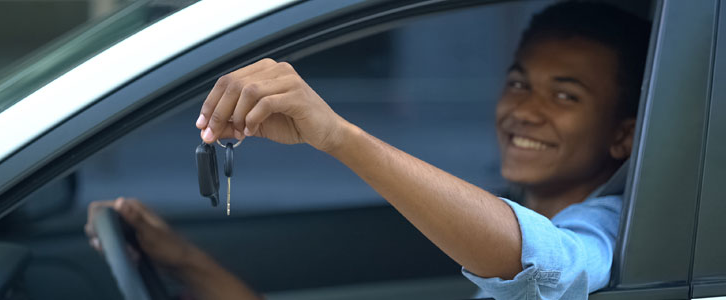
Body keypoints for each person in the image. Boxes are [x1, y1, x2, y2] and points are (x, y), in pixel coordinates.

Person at [85, 2, 651, 299]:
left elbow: (547, 267)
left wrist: (336, 135)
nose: (527, 109)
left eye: (565, 95)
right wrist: (187, 263)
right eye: (520, 82)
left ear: (623, 133)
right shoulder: (508, 214)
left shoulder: (616, 228)